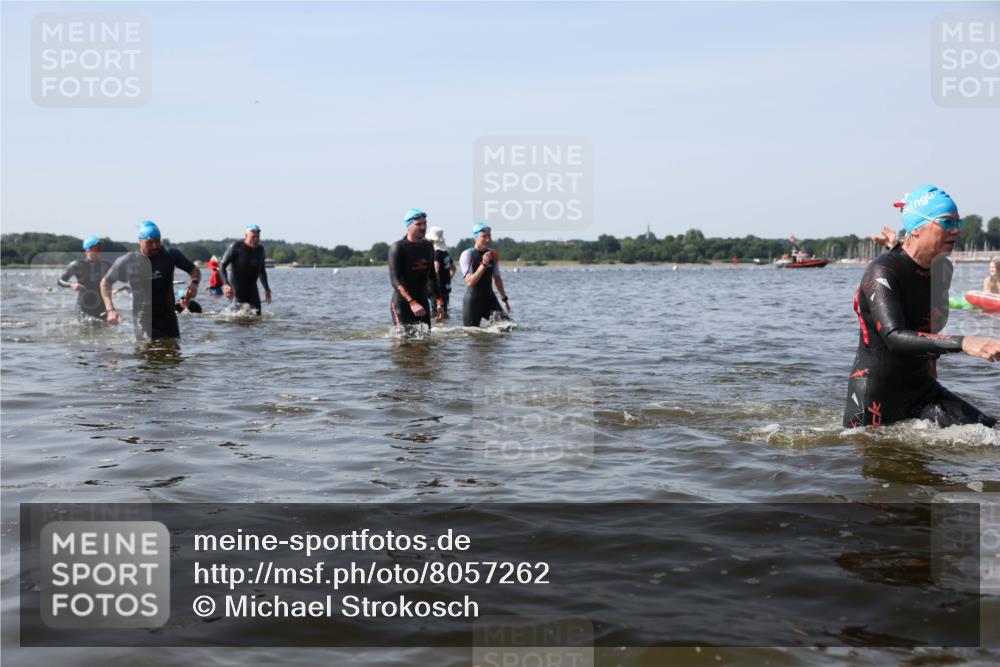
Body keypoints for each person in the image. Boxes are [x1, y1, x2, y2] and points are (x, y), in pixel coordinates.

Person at [843, 185, 1000, 429]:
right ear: (917, 228)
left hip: (923, 391)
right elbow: (894, 336)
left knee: (993, 435)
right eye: (947, 223)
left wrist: (933, 368)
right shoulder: (882, 272)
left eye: (959, 223)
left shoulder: (943, 270)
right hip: (876, 397)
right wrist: (964, 343)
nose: (956, 231)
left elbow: (930, 324)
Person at [100, 221, 201, 341]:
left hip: (168, 318)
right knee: (149, 353)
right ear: (140, 241)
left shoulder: (170, 255)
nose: (154, 246)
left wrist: (194, 283)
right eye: (149, 242)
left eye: (157, 241)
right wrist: (110, 309)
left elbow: (194, 270)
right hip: (143, 319)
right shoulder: (128, 261)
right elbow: (105, 283)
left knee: (174, 355)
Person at [389, 209, 445, 329]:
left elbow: (432, 276)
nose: (423, 227)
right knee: (403, 344)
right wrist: (412, 302)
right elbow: (395, 280)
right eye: (418, 224)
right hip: (403, 303)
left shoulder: (428, 246)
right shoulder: (398, 248)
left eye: (424, 223)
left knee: (425, 343)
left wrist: (439, 302)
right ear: (408, 226)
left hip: (422, 302)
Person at [460, 222, 511, 327]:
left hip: (490, 300)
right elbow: (470, 282)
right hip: (473, 303)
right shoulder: (468, 255)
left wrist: (504, 299)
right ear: (475, 237)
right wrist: (483, 264)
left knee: (508, 327)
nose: (488, 240)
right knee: (472, 336)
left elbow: (497, 278)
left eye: (489, 236)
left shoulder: (493, 254)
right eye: (484, 236)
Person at [220, 224, 271, 315]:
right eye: (253, 237)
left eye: (257, 237)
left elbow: (262, 271)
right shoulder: (236, 247)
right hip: (237, 289)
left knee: (257, 316)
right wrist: (226, 284)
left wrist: (267, 289)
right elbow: (222, 266)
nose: (256, 239)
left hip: (252, 289)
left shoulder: (260, 250)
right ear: (246, 235)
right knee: (237, 318)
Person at [58, 235, 111, 320]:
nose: (100, 251)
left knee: (105, 330)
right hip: (84, 308)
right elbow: (60, 281)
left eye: (101, 248)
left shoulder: (106, 265)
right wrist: (71, 285)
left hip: (102, 307)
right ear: (88, 250)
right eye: (97, 249)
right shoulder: (76, 265)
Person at [425, 226, 455, 318]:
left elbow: (436, 271)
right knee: (444, 313)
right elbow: (453, 269)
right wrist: (446, 279)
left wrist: (435, 286)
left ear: (432, 240)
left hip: (437, 291)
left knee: (436, 315)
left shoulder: (436, 254)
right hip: (446, 288)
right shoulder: (445, 253)